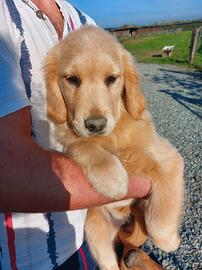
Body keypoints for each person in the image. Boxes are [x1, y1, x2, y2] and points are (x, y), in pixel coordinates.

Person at [0, 0, 151, 269]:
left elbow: (123, 122)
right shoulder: (3, 19)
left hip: (87, 232)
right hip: (28, 257)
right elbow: (7, 171)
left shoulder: (82, 20)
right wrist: (144, 181)